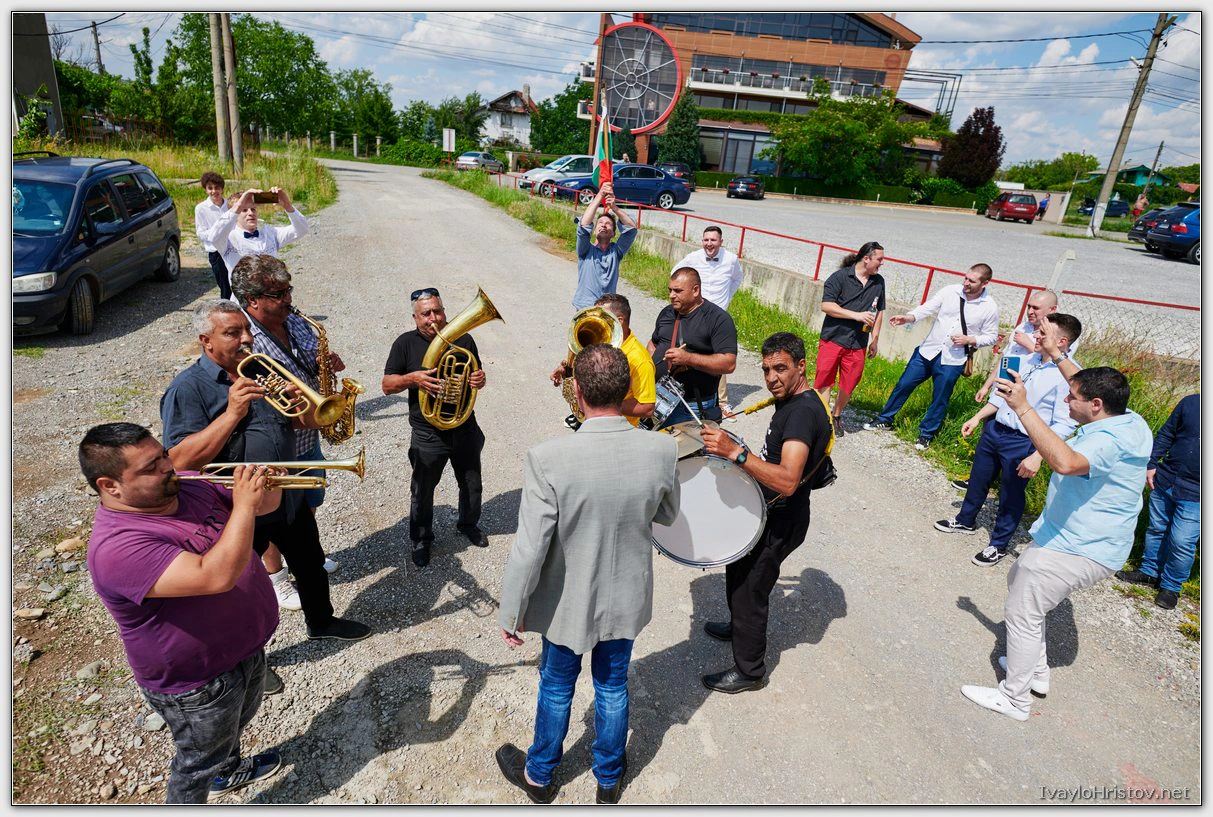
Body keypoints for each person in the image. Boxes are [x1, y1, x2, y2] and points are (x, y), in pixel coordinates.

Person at [495, 344, 680, 805]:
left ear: (577, 391)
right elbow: (668, 515)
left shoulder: (547, 457)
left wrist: (513, 611)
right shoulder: (662, 449)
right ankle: (608, 779)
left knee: (557, 685)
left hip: (567, 604)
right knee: (612, 686)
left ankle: (540, 776)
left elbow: (530, 548)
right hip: (626, 598)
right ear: (628, 388)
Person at [80, 422, 283, 803]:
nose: (167, 467)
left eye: (163, 455)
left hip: (243, 649)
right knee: (198, 763)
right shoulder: (117, 547)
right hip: (196, 682)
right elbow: (215, 575)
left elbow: (264, 508)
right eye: (151, 467)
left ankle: (228, 771)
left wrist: (268, 486)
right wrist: (243, 505)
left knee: (235, 726)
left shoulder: (187, 484)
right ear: (110, 485)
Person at [161, 299, 370, 644]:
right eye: (233, 333)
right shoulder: (188, 388)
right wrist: (232, 413)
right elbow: (180, 460)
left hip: (285, 492)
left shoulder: (259, 368)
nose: (246, 338)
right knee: (238, 583)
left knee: (310, 563)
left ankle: (321, 623)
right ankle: (245, 651)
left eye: (246, 329)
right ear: (206, 340)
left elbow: (298, 421)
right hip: (233, 506)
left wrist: (308, 407)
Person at [960, 364, 1152, 721]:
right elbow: (1083, 382)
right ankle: (1035, 672)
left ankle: (1015, 698)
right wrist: (1056, 354)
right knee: (1019, 578)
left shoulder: (1106, 441)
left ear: (1096, 404)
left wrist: (1023, 407)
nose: (1066, 400)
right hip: (1074, 538)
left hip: (1080, 548)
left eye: (1072, 397)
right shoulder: (1129, 420)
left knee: (1022, 611)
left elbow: (1064, 462)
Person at [697, 332, 833, 693]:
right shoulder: (794, 400)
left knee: (750, 591)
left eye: (781, 369)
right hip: (769, 511)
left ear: (801, 366)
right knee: (738, 569)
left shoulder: (802, 413)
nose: (772, 378)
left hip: (781, 518)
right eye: (766, 370)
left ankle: (750, 671)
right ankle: (740, 627)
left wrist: (736, 454)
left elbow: (787, 480)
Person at [230, 254, 344, 606]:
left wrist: (324, 362)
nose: (288, 299)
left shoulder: (292, 319)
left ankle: (304, 555)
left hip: (307, 432)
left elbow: (309, 355)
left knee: (309, 500)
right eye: (278, 294)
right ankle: (277, 577)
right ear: (253, 300)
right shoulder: (244, 340)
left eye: (288, 290)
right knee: (275, 512)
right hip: (275, 442)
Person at [935, 314, 1083, 568]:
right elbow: (1001, 395)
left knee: (1011, 494)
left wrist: (1038, 455)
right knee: (978, 479)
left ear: (1061, 342)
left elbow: (1065, 423)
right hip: (996, 430)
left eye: (1042, 333)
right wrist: (978, 417)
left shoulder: (1069, 377)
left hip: (1024, 442)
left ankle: (999, 544)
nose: (1035, 335)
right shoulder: (1025, 359)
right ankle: (965, 520)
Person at [382, 287, 489, 568]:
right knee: (423, 490)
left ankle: (468, 524)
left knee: (472, 484)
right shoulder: (405, 344)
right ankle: (421, 539)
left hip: (464, 426)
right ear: (415, 318)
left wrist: (479, 379)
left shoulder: (463, 339)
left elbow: (475, 375)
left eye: (438, 311)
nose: (434, 318)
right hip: (428, 432)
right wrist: (413, 379)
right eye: (426, 313)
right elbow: (387, 386)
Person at [864, 263, 1000, 449]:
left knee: (940, 398)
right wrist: (908, 317)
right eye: (966, 278)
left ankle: (925, 434)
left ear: (985, 283)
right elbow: (927, 308)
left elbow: (991, 336)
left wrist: (970, 339)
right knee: (904, 384)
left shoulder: (989, 307)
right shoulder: (951, 291)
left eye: (972, 281)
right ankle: (884, 419)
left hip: (953, 359)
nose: (966, 283)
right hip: (928, 350)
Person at [1116, 393, 1200, 610]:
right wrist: (1151, 463)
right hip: (1167, 479)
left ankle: (1171, 586)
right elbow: (1167, 433)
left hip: (1197, 494)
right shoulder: (1191, 402)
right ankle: (1149, 572)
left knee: (1182, 541)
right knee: (1157, 529)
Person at [647, 267, 738, 427]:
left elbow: (729, 364)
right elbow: (653, 343)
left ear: (695, 290)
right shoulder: (667, 312)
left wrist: (688, 358)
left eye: (678, 291)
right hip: (658, 398)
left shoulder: (718, 319)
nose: (671, 295)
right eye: (670, 290)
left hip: (692, 405)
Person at [813, 241, 886, 437]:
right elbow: (827, 306)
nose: (882, 263)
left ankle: (836, 415)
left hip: (858, 343)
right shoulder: (840, 277)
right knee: (824, 379)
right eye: (879, 259)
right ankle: (824, 418)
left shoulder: (879, 282)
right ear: (866, 258)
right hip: (833, 338)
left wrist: (875, 339)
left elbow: (879, 311)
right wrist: (856, 315)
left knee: (850, 383)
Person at [672, 226, 745, 418]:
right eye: (706, 240)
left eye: (713, 240)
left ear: (721, 242)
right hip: (697, 312)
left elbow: (737, 279)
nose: (709, 244)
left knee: (722, 356)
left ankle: (722, 403)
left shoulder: (731, 259)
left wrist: (727, 298)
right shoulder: (693, 258)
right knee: (698, 354)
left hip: (718, 314)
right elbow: (675, 273)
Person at [550, 293, 655, 427]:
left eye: (602, 316)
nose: (595, 320)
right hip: (590, 422)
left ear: (619, 320)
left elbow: (647, 408)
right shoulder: (601, 341)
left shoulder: (639, 359)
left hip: (617, 429)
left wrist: (603, 404)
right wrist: (567, 370)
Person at [203, 187, 309, 297]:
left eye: (253, 209)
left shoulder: (270, 233)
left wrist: (287, 205)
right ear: (235, 214)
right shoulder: (228, 238)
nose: (250, 213)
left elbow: (302, 229)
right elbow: (213, 237)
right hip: (244, 301)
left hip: (273, 298)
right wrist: (238, 205)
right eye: (244, 210)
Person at [573, 183, 637, 309]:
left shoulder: (616, 252)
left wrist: (614, 207)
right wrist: (600, 195)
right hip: (585, 307)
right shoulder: (585, 250)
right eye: (600, 223)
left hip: (608, 309)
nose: (603, 225)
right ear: (594, 231)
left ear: (613, 233)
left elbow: (631, 229)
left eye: (608, 224)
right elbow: (583, 226)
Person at [195, 172, 231, 299]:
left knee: (238, 284)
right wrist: (215, 234)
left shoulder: (230, 205)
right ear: (205, 189)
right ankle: (227, 309)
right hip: (216, 252)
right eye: (210, 188)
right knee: (225, 286)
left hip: (233, 249)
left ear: (222, 189)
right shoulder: (201, 208)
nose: (214, 191)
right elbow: (200, 233)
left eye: (217, 188)